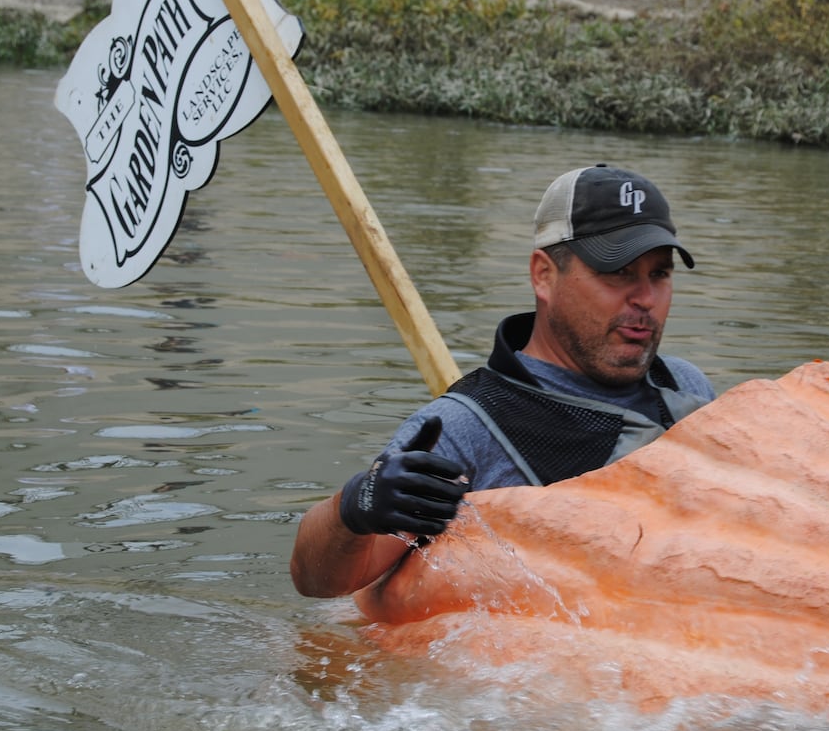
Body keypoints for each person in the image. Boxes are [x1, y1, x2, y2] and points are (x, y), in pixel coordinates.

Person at [290, 165, 716, 598]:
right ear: (543, 275)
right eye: (619, 272)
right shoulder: (462, 429)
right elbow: (319, 583)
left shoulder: (690, 389)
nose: (645, 298)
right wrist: (356, 506)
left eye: (659, 274)